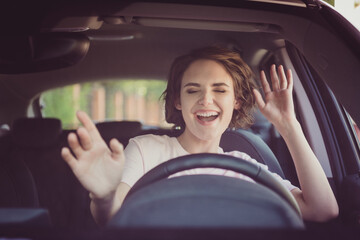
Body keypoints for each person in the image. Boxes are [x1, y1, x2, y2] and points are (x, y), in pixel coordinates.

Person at [61, 46, 339, 226]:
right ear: (178, 101)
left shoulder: (246, 165)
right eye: (193, 90)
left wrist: (289, 125)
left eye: (220, 90)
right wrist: (105, 196)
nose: (206, 99)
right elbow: (111, 216)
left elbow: (322, 210)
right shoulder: (146, 149)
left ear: (237, 101)